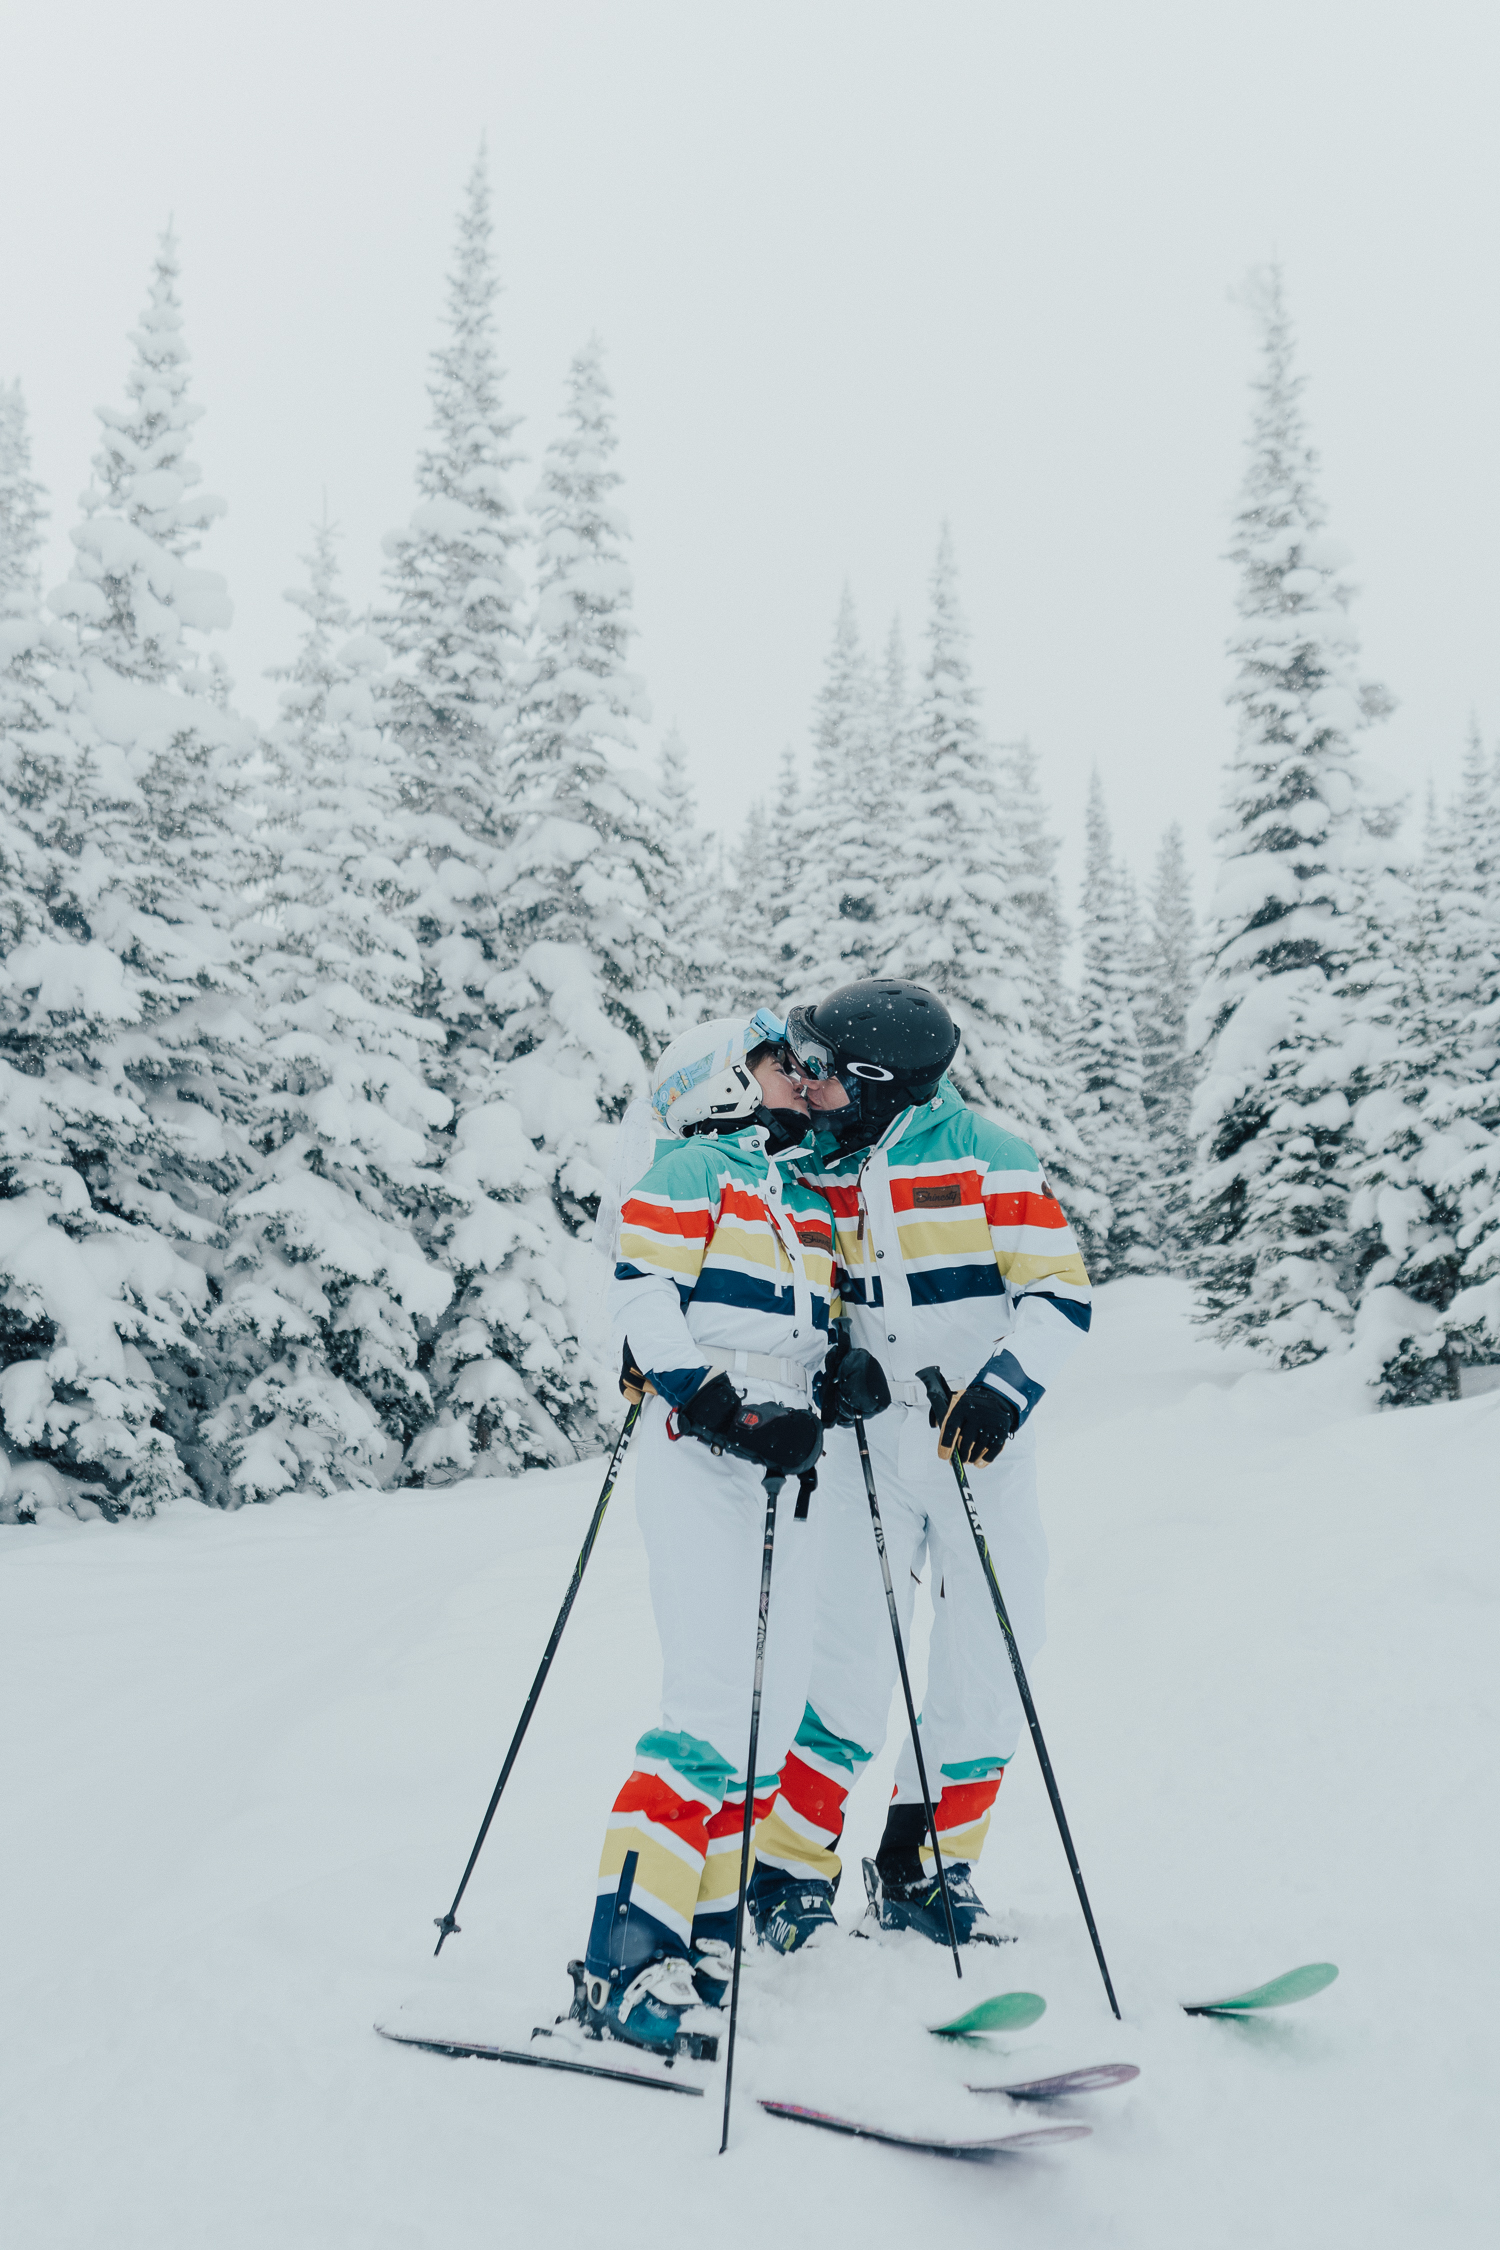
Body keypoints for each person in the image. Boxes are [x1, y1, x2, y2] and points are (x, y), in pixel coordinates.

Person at [748, 977, 1092, 1949]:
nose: (807, 1081)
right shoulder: (805, 1164)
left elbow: (1059, 1293)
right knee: (847, 1661)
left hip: (975, 1444)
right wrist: (832, 1364)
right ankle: (787, 1870)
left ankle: (924, 1869)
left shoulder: (988, 1159)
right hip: (867, 1447)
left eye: (823, 1067)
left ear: (876, 1081)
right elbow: (791, 1293)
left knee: (990, 1658)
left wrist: (1003, 1389)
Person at [577, 1010, 837, 2055]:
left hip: (788, 1460)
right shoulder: (689, 1172)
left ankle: (708, 1931)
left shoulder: (801, 1197)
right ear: (722, 1082)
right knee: (710, 1701)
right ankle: (626, 1958)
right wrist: (715, 1402)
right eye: (778, 1065)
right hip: (704, 1448)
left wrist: (842, 1376)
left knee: (772, 1706)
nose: (799, 1079)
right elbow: (643, 1295)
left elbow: (810, 1327)